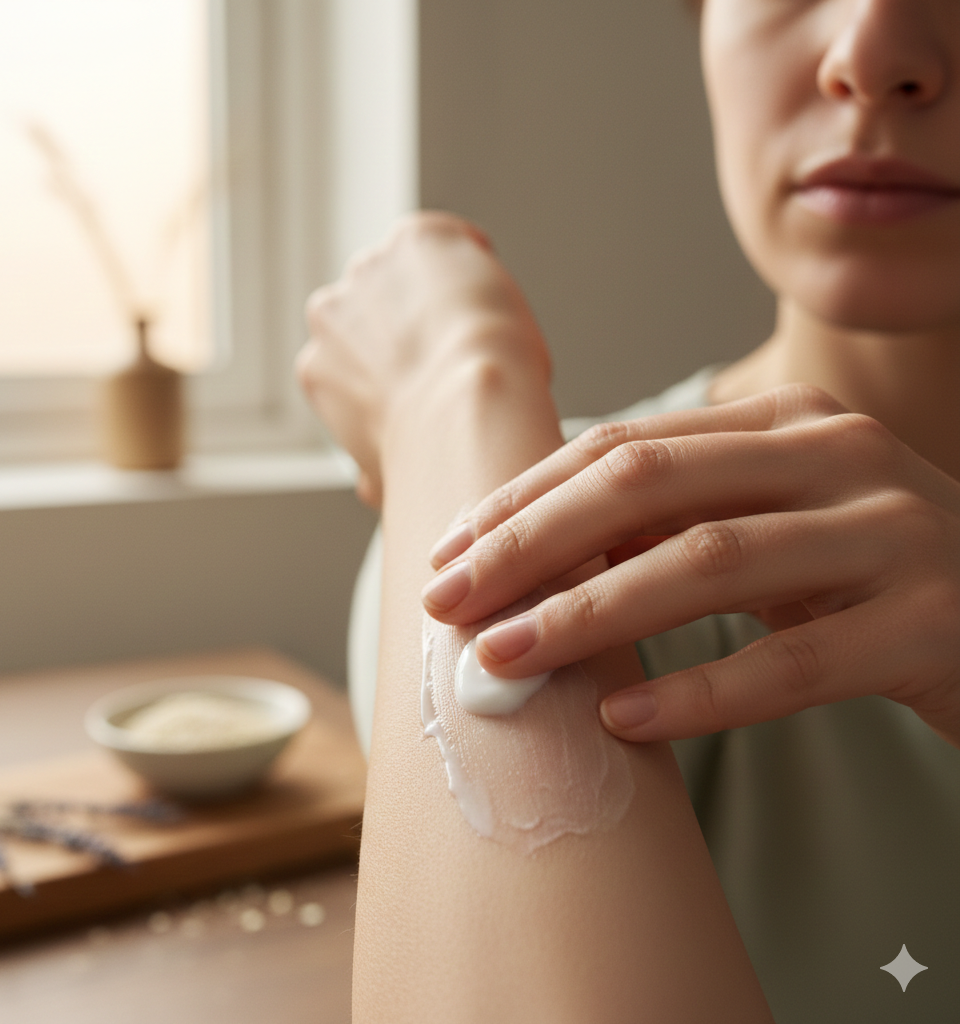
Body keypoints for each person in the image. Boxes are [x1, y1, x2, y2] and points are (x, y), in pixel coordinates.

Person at [297, 0, 960, 1020]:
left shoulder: (466, 467)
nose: (871, 54)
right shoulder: (571, 526)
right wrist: (468, 403)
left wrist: (444, 382)